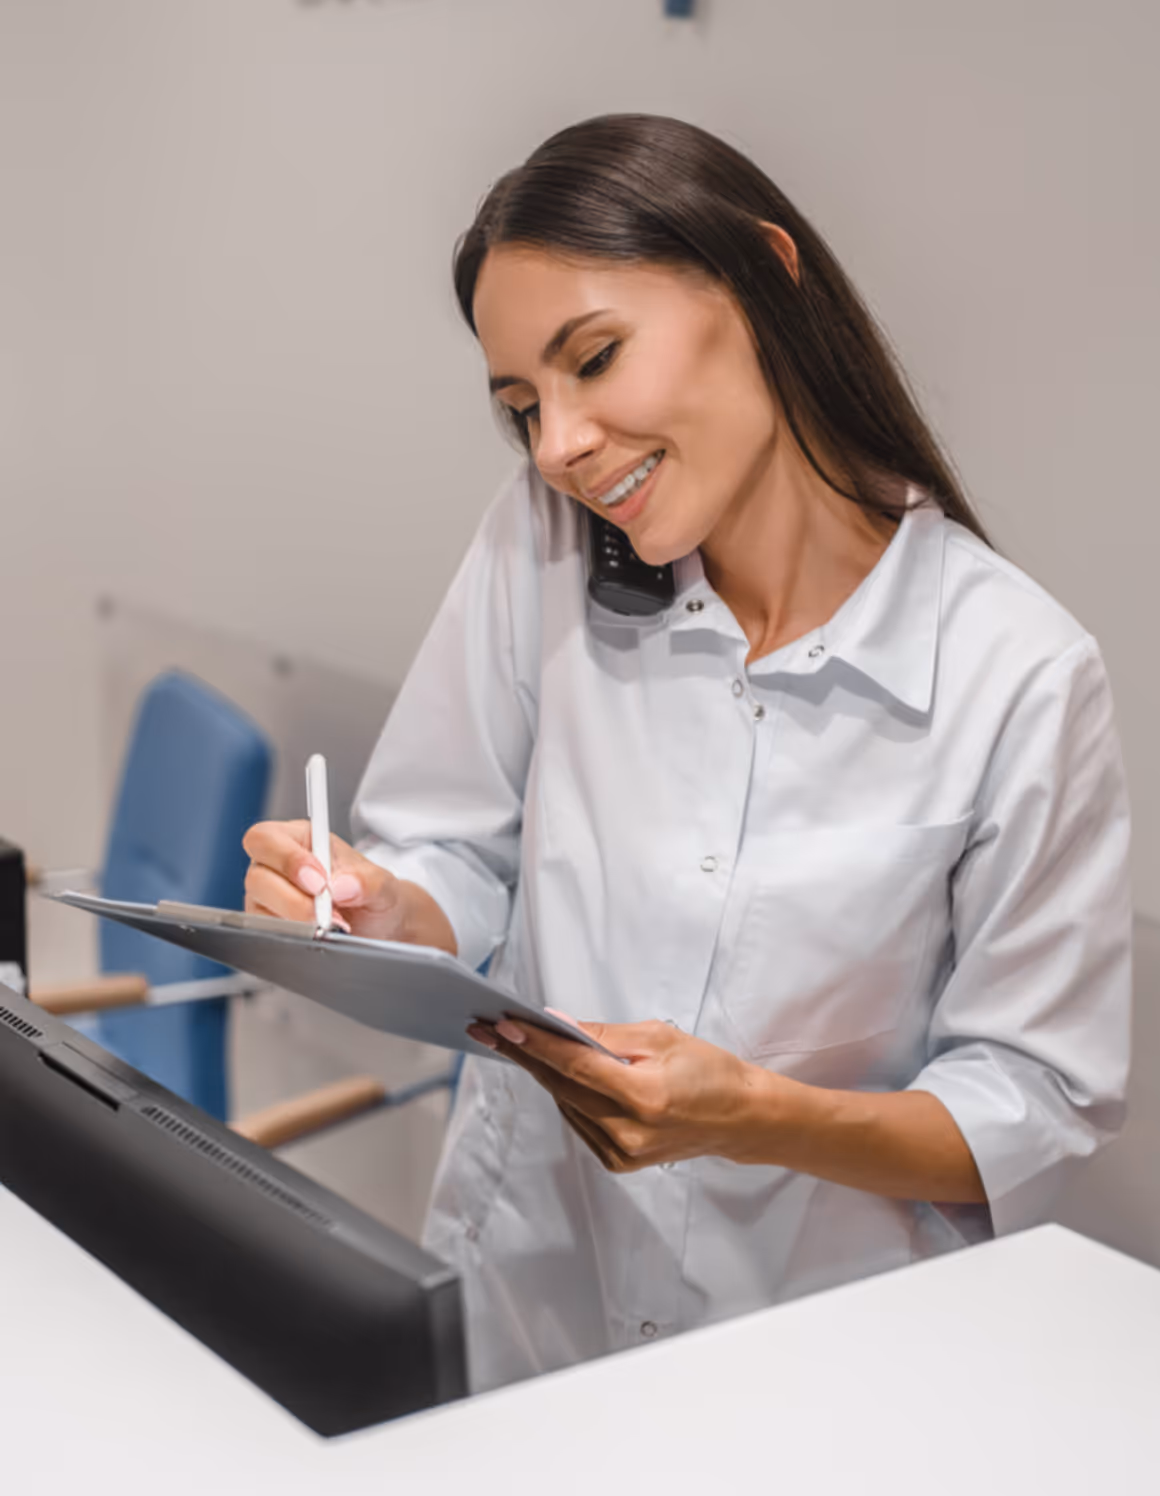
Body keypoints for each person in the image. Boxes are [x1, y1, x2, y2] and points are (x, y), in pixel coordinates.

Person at [243, 115, 1131, 1393]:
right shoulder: (539, 546)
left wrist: (758, 1114)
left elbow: (1027, 1099)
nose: (556, 444)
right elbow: (458, 847)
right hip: (537, 1308)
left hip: (818, 1368)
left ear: (764, 275)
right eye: (521, 406)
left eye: (592, 359)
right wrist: (389, 903)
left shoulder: (1019, 674)